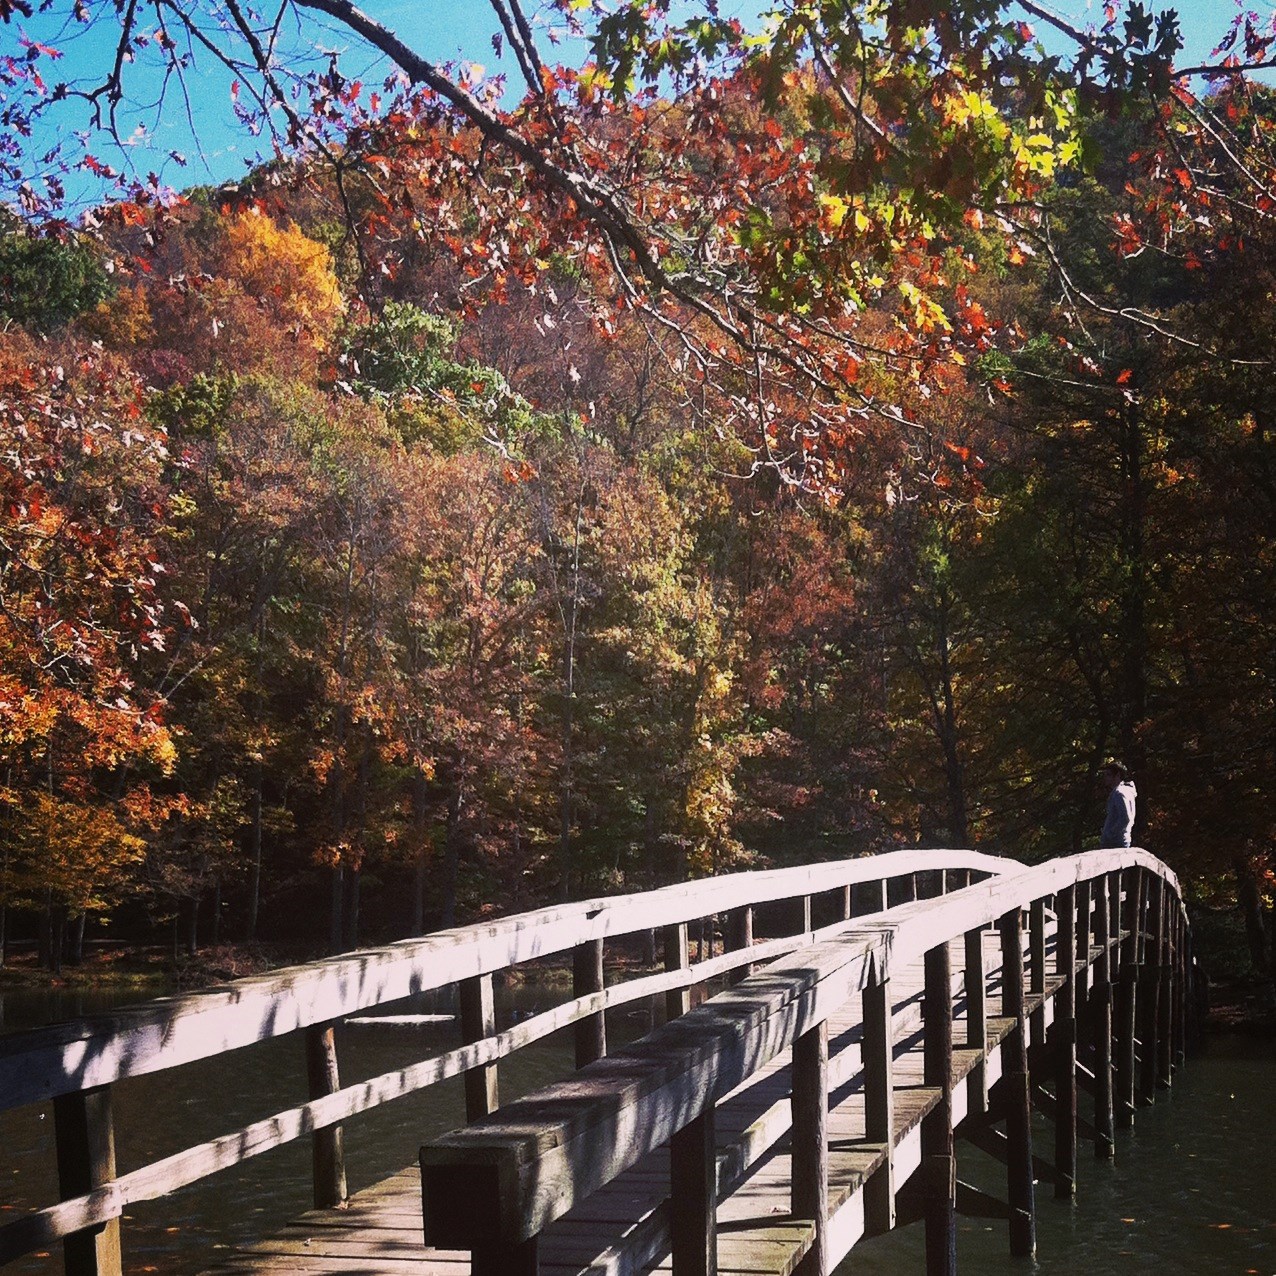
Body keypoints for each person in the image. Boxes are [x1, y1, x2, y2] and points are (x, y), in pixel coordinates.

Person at [1098, 761, 1137, 848]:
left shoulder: (1119, 793)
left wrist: (1110, 833)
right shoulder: (1126, 791)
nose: (1105, 778)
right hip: (1120, 840)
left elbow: (1125, 818)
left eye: (1108, 775)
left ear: (1118, 775)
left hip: (1115, 842)